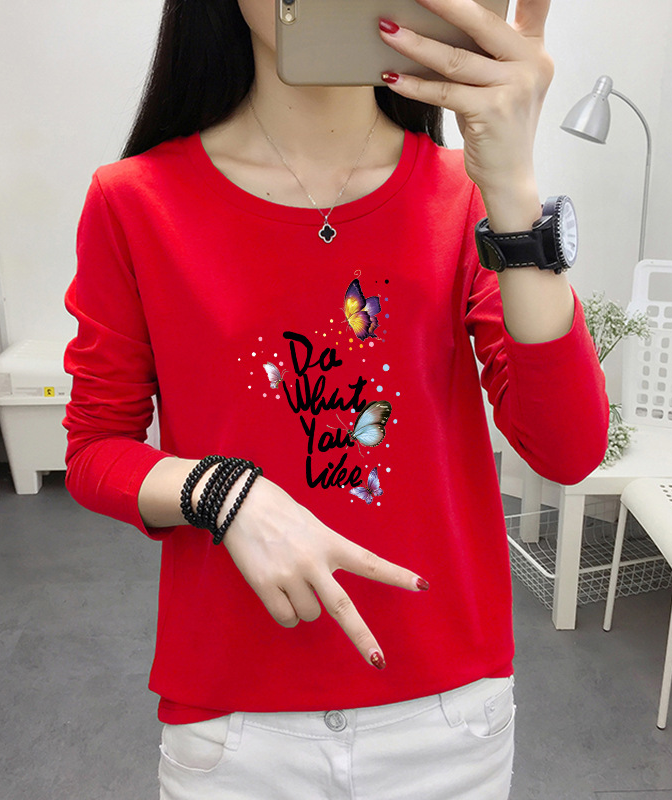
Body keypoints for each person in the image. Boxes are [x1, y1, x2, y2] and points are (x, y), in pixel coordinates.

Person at [62, 0, 608, 797]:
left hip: (447, 714)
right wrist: (222, 492)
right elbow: (94, 450)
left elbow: (567, 448)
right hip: (234, 722)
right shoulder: (135, 201)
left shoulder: (465, 199)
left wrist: (513, 190)